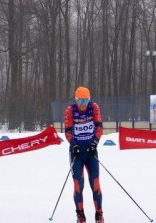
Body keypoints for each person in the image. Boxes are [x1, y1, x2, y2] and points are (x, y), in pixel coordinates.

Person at [64, 87, 104, 223]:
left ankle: (99, 214)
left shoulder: (94, 107)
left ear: (89, 99)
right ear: (75, 99)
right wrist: (73, 145)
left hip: (90, 151)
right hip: (77, 153)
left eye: (85, 100)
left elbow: (99, 127)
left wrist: (95, 143)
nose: (83, 103)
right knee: (78, 185)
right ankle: (80, 214)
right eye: (80, 100)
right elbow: (68, 132)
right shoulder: (70, 110)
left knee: (95, 184)